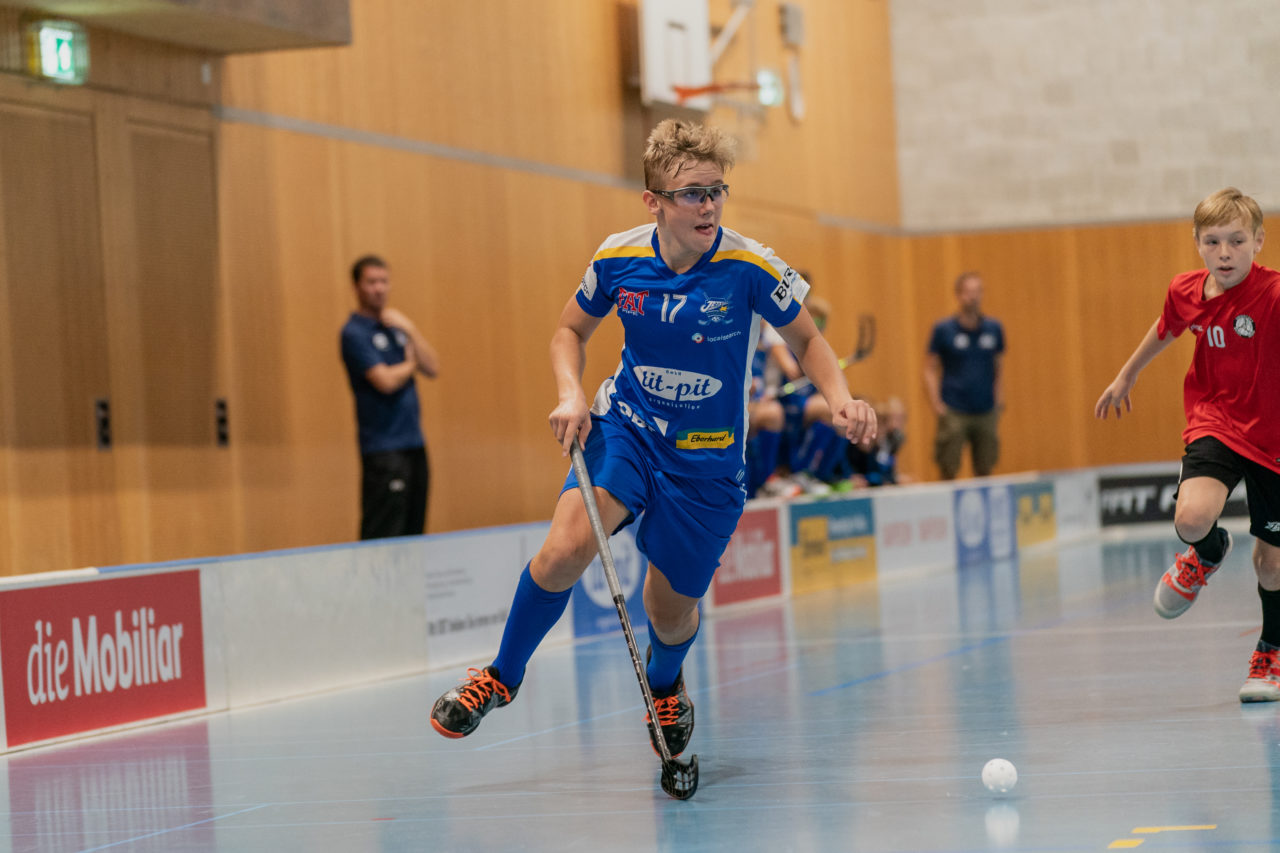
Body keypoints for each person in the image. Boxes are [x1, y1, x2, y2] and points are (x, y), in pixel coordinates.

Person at [429, 119, 876, 757]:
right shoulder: (618, 258)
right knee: (564, 549)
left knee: (668, 611)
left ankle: (665, 686)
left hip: (709, 462)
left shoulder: (750, 265)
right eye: (692, 194)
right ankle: (502, 676)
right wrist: (570, 393)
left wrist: (841, 400)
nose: (709, 206)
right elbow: (569, 332)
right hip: (627, 428)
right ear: (654, 202)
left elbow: (806, 339)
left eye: (716, 191)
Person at [1095, 186, 1280, 703]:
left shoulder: (1274, 295)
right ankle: (1207, 553)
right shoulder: (1185, 290)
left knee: (1271, 565)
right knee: (1192, 518)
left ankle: (1271, 652)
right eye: (1212, 241)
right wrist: (1127, 374)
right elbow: (1166, 328)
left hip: (1273, 438)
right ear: (1197, 242)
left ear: (1258, 241)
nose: (1225, 253)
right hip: (1215, 421)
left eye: (1237, 241)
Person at [340, 255, 440, 539]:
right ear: (356, 287)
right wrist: (410, 364)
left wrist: (410, 329)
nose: (379, 288)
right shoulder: (354, 333)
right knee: (384, 533)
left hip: (414, 444)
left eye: (384, 281)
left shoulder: (396, 328)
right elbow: (384, 381)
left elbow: (433, 367)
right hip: (383, 450)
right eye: (371, 282)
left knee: (414, 531)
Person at [923, 271, 1005, 479]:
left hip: (985, 408)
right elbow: (929, 369)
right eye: (968, 292)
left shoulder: (994, 329)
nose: (973, 297)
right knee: (948, 466)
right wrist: (936, 403)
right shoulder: (944, 330)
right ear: (958, 295)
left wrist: (999, 399)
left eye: (978, 291)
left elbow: (998, 367)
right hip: (954, 408)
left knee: (985, 466)